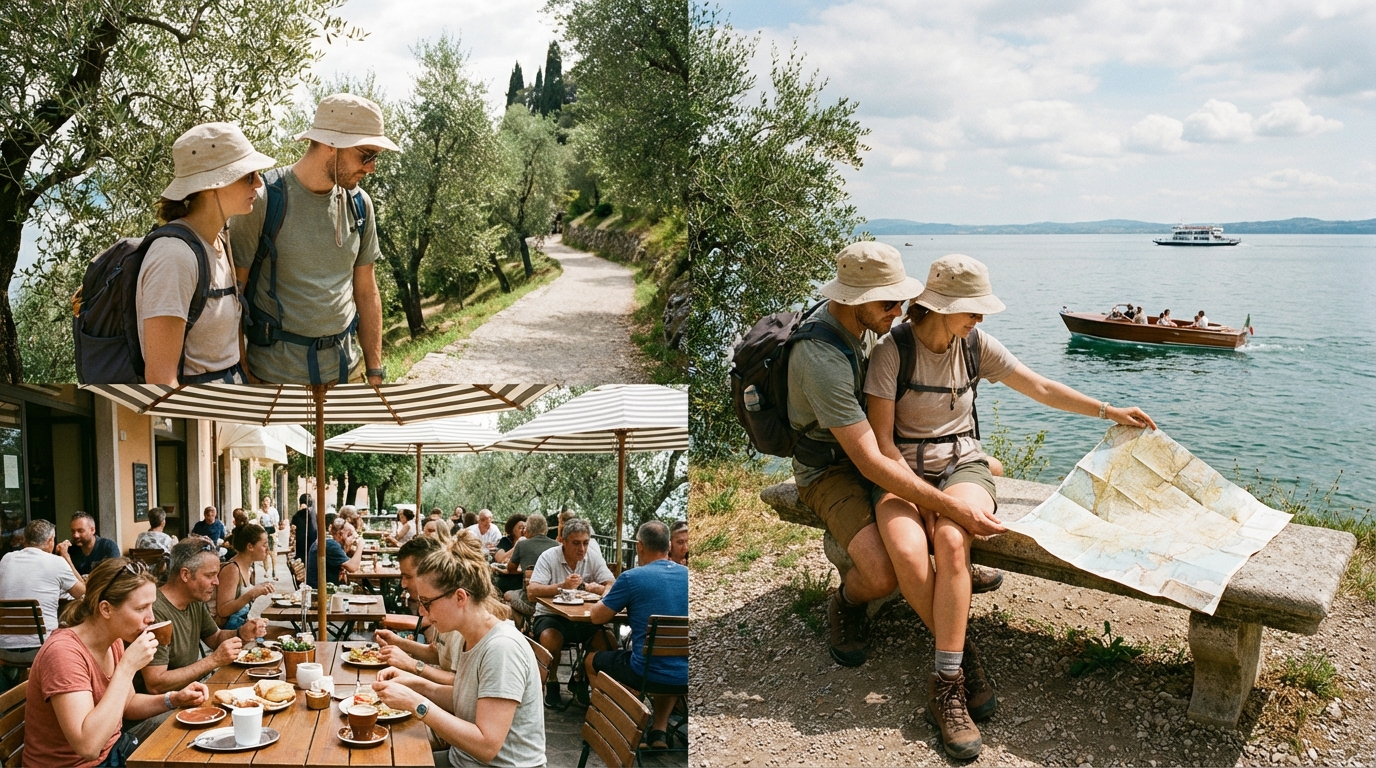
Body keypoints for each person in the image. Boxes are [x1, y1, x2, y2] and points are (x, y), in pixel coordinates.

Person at [865, 253, 1157, 759]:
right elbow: (884, 447)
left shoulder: (976, 345)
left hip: (963, 465)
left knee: (953, 541)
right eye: (972, 310)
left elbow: (1039, 386)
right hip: (902, 474)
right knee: (911, 555)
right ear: (938, 306)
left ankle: (947, 680)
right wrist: (928, 501)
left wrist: (1109, 411)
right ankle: (961, 647)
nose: (980, 319)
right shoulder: (892, 353)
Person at [784, 242, 1006, 677]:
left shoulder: (865, 325)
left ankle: (949, 603)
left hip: (873, 455)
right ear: (855, 300)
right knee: (883, 573)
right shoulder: (821, 358)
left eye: (902, 297)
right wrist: (942, 504)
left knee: (936, 529)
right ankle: (849, 605)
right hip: (832, 469)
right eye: (890, 301)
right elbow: (872, 461)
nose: (902, 309)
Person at [228, 93, 395, 386]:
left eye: (375, 157)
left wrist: (375, 370)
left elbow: (366, 290)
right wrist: (244, 371)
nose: (371, 168)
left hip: (347, 374)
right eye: (366, 155)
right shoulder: (265, 200)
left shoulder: (360, 205)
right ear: (331, 144)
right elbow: (234, 295)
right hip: (273, 380)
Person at [372, 536, 545, 768]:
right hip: (462, 760)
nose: (422, 612)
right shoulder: (471, 637)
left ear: (460, 597)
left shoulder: (501, 648)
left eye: (427, 602)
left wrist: (417, 703)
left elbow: (486, 746)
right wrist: (414, 684)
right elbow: (464, 701)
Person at [24, 558, 209, 766]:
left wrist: (175, 699)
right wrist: (128, 667)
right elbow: (88, 747)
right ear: (106, 609)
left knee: (198, 733)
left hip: (114, 750)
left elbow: (127, 705)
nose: (151, 618)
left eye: (151, 607)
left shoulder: (114, 640)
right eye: (141, 608)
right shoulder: (63, 654)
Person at [139, 122, 273, 385]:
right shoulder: (174, 258)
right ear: (212, 186)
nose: (259, 183)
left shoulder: (221, 238)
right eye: (248, 175)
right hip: (204, 416)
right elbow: (160, 379)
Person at [585, 521, 688, 750]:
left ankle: (615, 726)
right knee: (669, 658)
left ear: (639, 546)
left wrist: (608, 592)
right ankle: (658, 731)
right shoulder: (690, 575)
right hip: (687, 673)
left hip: (645, 672)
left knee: (591, 660)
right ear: (669, 546)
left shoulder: (632, 578)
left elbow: (597, 617)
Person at [140, 538, 268, 695]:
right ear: (185, 575)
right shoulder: (154, 612)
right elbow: (156, 684)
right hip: (162, 709)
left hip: (193, 692)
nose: (216, 582)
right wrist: (213, 660)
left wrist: (242, 633)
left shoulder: (194, 599)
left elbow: (215, 637)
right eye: (210, 575)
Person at [528, 518, 616, 707]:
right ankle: (552, 682)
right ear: (563, 541)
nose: (582, 549)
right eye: (576, 543)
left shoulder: (592, 557)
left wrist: (601, 590)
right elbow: (532, 591)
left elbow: (611, 583)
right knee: (551, 638)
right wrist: (563, 586)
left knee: (607, 640)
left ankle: (580, 678)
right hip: (551, 615)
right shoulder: (549, 556)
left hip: (585, 618)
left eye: (585, 543)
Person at [0, 521, 87, 669]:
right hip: (42, 649)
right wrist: (66, 557)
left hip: (4, 649)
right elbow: (83, 593)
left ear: (24, 540)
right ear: (50, 540)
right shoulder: (57, 562)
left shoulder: (5, 559)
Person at [375, 535, 460, 686]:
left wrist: (412, 664)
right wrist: (398, 642)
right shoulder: (438, 606)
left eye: (407, 576)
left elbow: (460, 684)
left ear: (428, 572)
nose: (403, 584)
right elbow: (437, 654)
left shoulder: (452, 611)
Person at [502, 514, 559, 627]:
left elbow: (510, 568)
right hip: (552, 601)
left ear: (527, 529)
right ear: (546, 529)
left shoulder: (522, 544)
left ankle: (523, 625)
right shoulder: (557, 545)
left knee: (507, 595)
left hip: (529, 600)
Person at [215, 524, 276, 630]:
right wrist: (251, 594)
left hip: (242, 626)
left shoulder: (248, 568)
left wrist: (259, 589)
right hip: (230, 633)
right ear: (250, 547)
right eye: (264, 545)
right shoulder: (232, 569)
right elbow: (223, 610)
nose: (267, 549)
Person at [307, 518, 364, 587]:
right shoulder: (331, 545)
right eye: (349, 534)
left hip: (324, 588)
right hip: (321, 592)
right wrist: (361, 545)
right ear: (339, 534)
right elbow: (353, 567)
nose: (353, 538)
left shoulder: (329, 541)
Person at [62, 512, 121, 577]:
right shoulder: (70, 550)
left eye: (80, 531)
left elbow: (114, 575)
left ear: (92, 530)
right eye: (73, 531)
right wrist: (62, 555)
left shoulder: (108, 546)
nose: (75, 535)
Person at [291, 493, 318, 563]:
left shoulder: (298, 515)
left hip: (303, 546)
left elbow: (293, 524)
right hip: (313, 544)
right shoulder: (314, 514)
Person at [258, 497, 280, 578]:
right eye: (264, 501)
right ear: (262, 502)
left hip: (272, 533)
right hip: (263, 533)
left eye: (268, 501)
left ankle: (274, 571)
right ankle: (266, 570)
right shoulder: (259, 512)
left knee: (273, 554)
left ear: (270, 502)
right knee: (265, 554)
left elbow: (276, 524)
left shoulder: (273, 511)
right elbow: (258, 523)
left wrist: (275, 534)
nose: (266, 503)